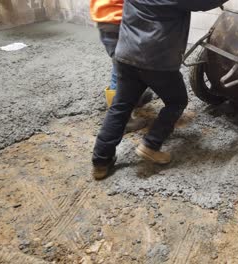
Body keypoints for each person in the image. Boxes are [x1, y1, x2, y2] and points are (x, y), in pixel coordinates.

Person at [91, 0, 228, 180]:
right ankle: (151, 144)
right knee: (177, 101)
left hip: (126, 55)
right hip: (156, 62)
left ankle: (100, 161)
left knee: (121, 106)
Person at [89, 0, 152, 126]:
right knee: (123, 71)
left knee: (121, 66)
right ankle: (123, 120)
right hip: (120, 20)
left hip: (105, 17)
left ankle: (134, 99)